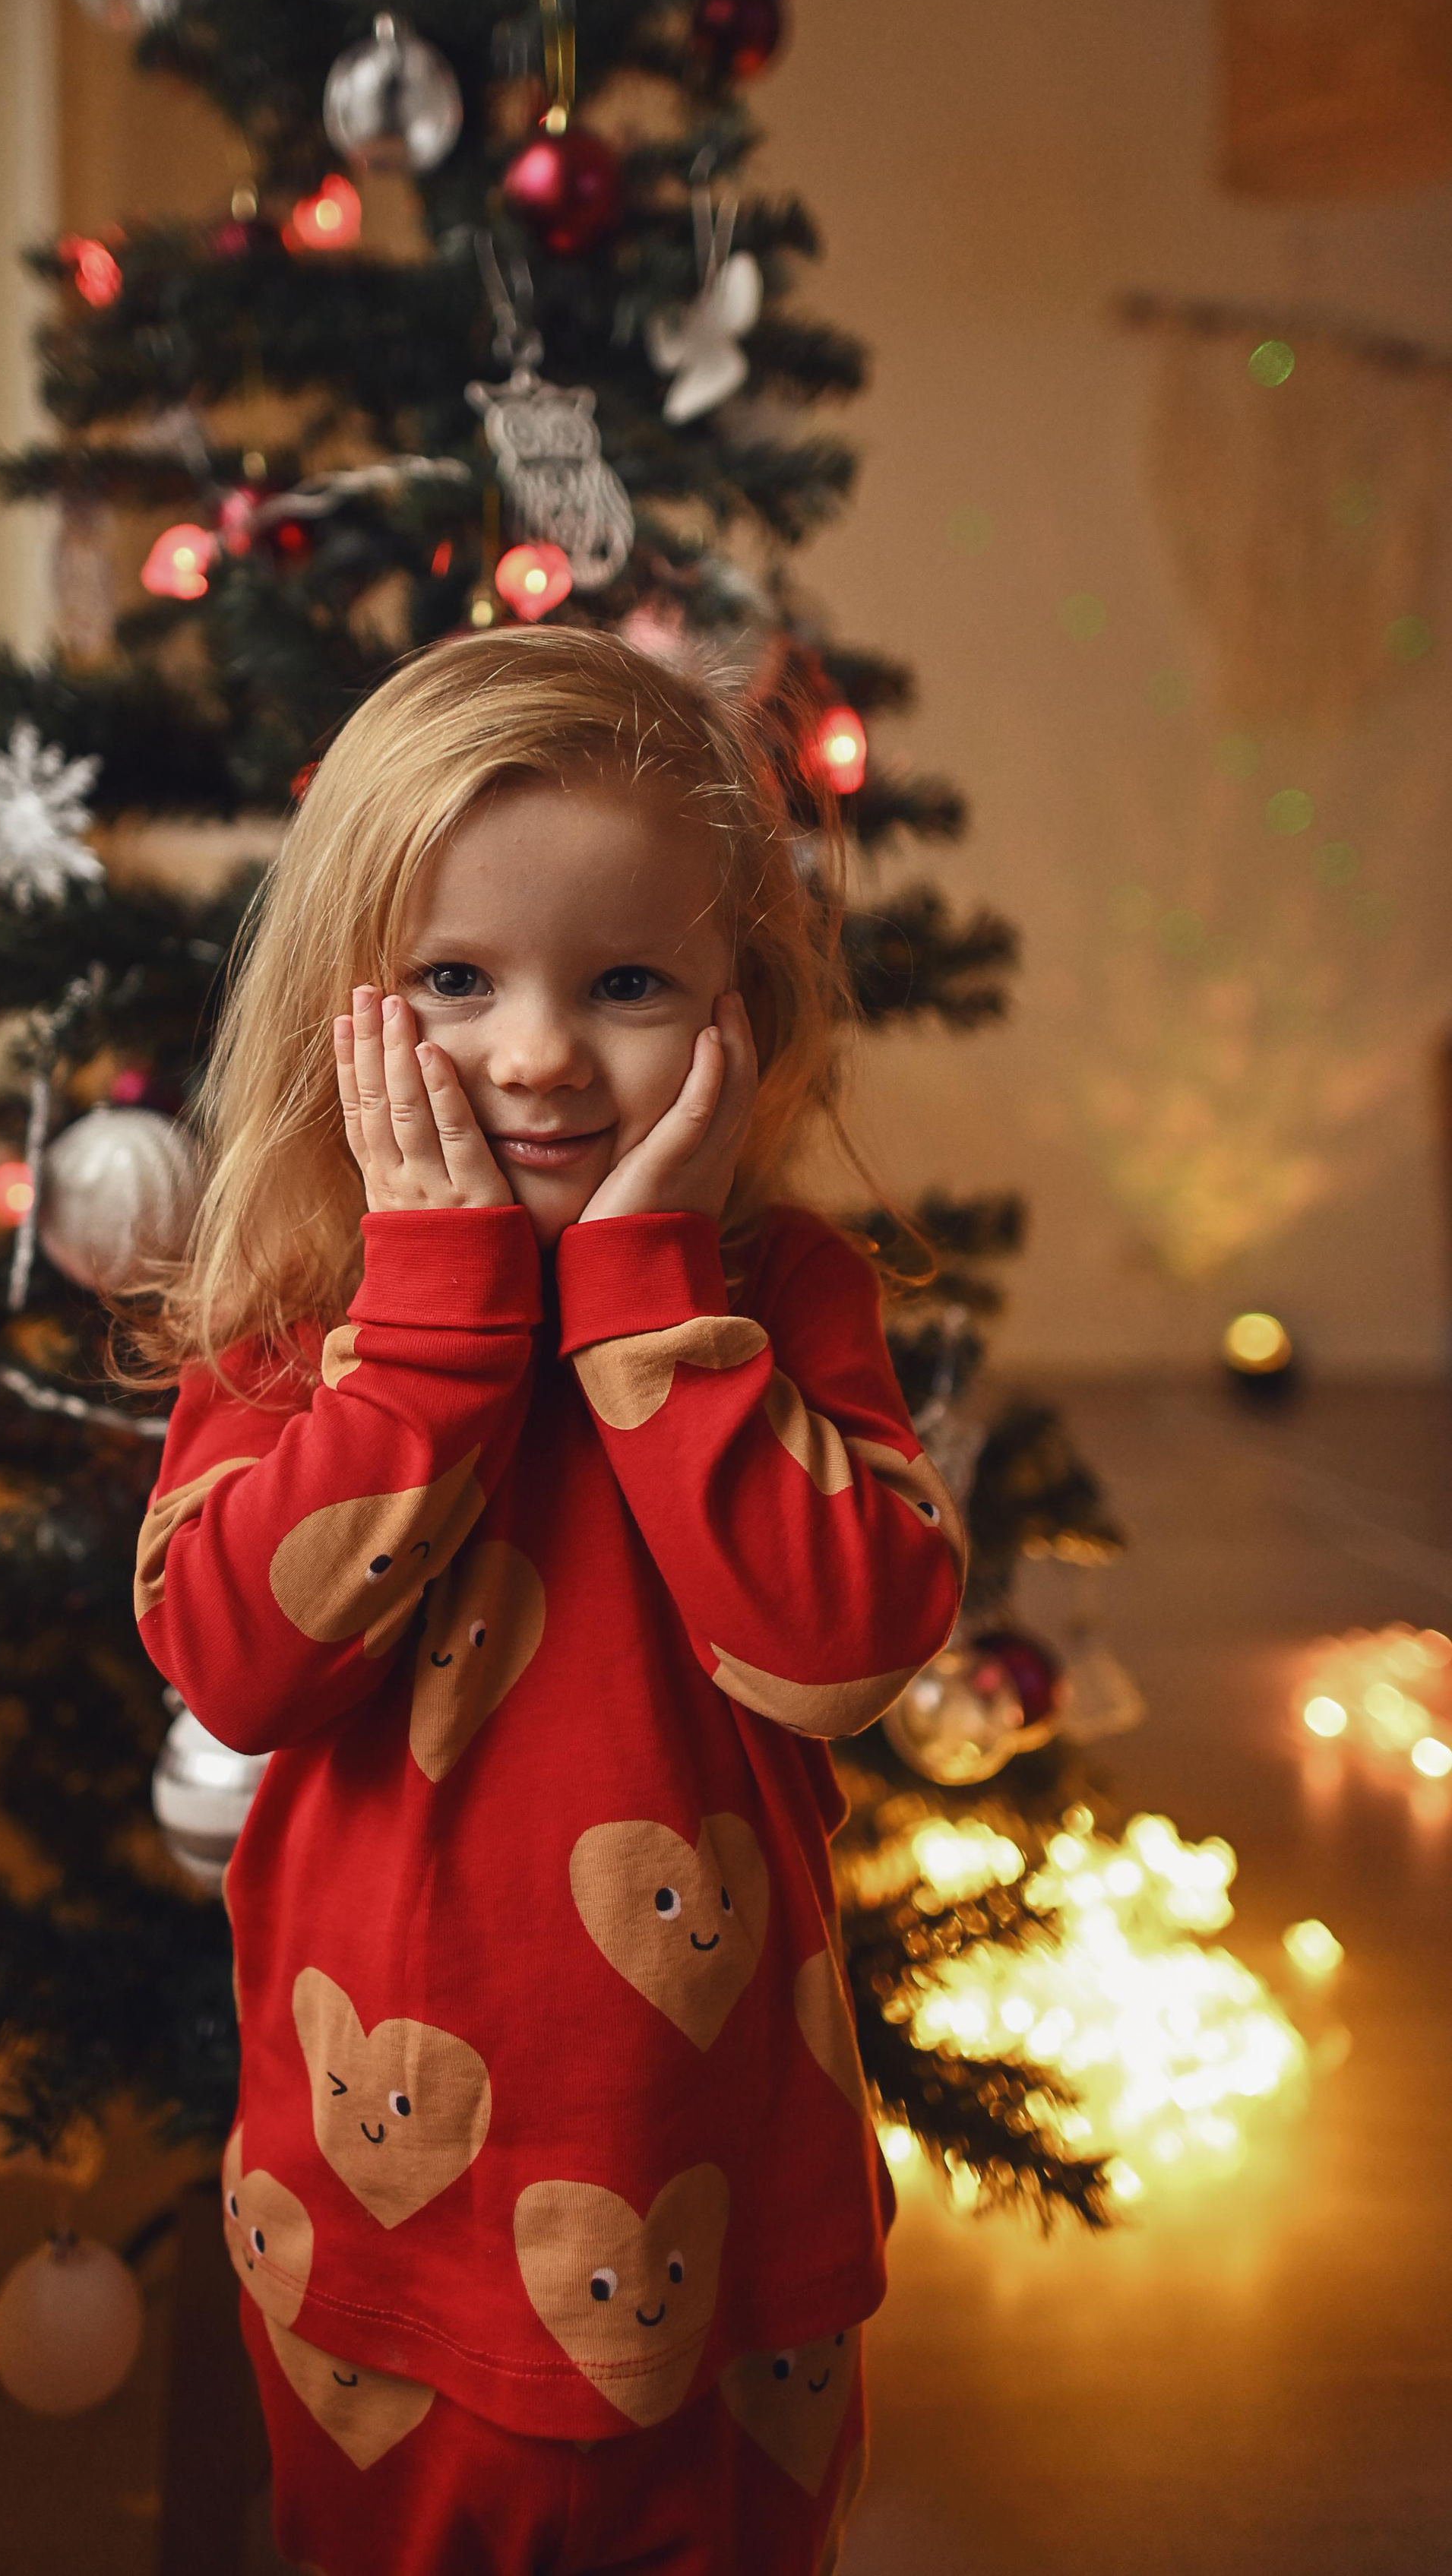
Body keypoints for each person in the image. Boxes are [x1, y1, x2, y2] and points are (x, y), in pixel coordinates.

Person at [130, 628, 964, 2575]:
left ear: (731, 1013)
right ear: (347, 998)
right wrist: (423, 1327)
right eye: (450, 980)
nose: (531, 1053)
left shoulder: (782, 1292)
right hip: (379, 2234)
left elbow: (838, 1645)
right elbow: (239, 1665)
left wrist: (652, 1297)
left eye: (624, 985)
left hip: (722, 2217)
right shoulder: (288, 1309)